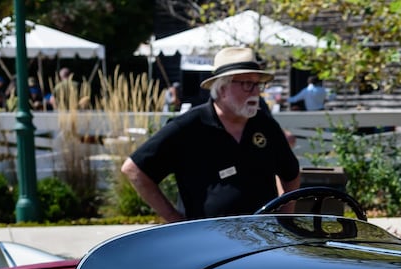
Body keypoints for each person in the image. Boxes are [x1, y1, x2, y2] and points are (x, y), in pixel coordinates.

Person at [121, 46, 301, 223]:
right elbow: (134, 169)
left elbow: (290, 175)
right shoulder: (189, 127)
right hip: (207, 242)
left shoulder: (264, 124)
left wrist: (284, 220)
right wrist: (174, 220)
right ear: (222, 89)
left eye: (258, 84)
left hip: (261, 240)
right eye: (247, 84)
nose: (255, 91)